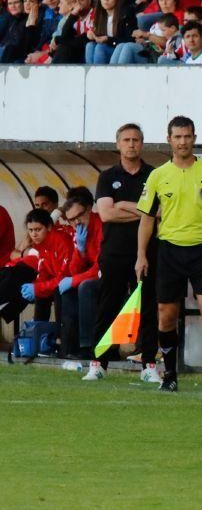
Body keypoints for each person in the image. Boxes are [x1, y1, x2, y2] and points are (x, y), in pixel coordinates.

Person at [136, 116, 202, 393]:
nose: (183, 142)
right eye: (177, 137)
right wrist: (141, 255)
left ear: (194, 138)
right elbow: (146, 218)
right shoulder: (157, 176)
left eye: (187, 136)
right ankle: (169, 375)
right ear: (169, 139)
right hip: (169, 251)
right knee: (165, 315)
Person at [82, 124, 160, 383]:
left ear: (142, 143)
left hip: (147, 253)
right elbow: (105, 213)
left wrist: (124, 205)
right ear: (118, 144)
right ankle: (99, 362)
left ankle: (149, 364)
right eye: (126, 140)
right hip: (114, 253)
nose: (131, 144)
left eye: (136, 139)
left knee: (148, 308)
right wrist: (141, 211)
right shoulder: (107, 177)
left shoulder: (154, 175)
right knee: (107, 306)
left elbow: (159, 213)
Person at [58, 187, 103, 360]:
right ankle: (69, 346)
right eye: (71, 220)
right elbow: (74, 269)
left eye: (79, 216)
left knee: (84, 287)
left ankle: (88, 346)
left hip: (111, 277)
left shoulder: (102, 226)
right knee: (64, 289)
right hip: (93, 276)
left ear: (90, 209)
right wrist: (80, 250)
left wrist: (75, 279)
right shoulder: (80, 232)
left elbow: (101, 267)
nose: (76, 222)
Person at [11, 209, 72, 326]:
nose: (34, 234)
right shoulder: (40, 244)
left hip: (72, 281)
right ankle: (39, 331)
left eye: (38, 229)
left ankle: (62, 334)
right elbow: (44, 272)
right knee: (40, 291)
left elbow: (65, 277)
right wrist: (36, 286)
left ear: (49, 227)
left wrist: (38, 288)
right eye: (31, 230)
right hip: (59, 280)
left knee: (55, 290)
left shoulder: (61, 242)